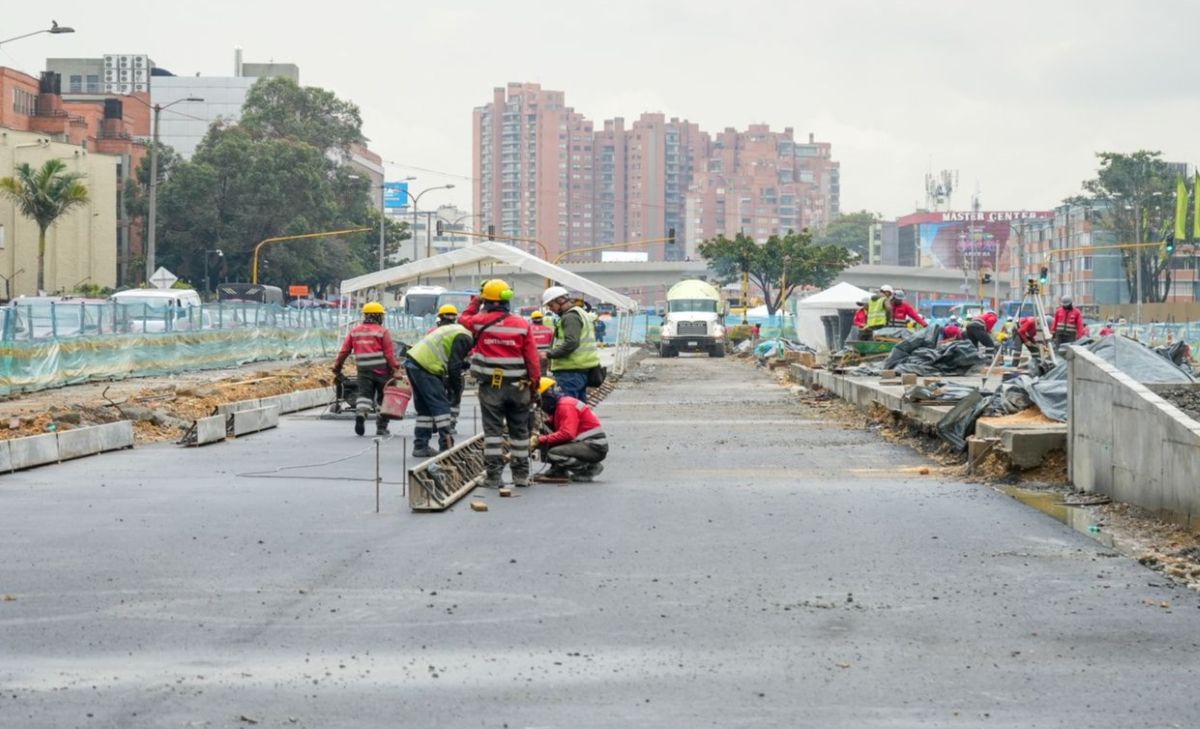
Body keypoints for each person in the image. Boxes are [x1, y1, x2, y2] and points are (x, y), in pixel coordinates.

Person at [460, 279, 541, 488]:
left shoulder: (478, 321)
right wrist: (535, 387)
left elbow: (463, 317)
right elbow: (533, 360)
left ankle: (494, 477)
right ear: (507, 301)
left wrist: (476, 300)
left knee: (493, 433)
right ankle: (521, 475)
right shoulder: (523, 325)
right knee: (520, 432)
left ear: (486, 300)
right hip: (519, 387)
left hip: (491, 388)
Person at [404, 321, 474, 457]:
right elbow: (454, 367)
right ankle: (446, 443)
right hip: (426, 366)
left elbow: (451, 357)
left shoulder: (457, 329)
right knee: (440, 405)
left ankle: (420, 445)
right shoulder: (465, 337)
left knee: (425, 409)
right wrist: (456, 390)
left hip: (413, 362)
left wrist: (462, 364)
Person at [332, 302, 401, 436]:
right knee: (383, 398)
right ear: (378, 316)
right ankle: (381, 427)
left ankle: (361, 414)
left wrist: (337, 366)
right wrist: (396, 369)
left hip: (363, 370)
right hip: (382, 370)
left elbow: (344, 351)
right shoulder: (382, 332)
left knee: (364, 395)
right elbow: (389, 354)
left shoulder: (355, 331)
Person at [531, 377, 608, 483]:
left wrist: (539, 440)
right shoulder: (559, 407)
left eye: (539, 402)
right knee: (546, 429)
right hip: (587, 444)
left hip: (594, 446)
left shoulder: (565, 405)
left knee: (554, 453)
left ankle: (587, 468)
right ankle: (558, 469)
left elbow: (567, 434)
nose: (540, 406)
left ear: (546, 397)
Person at [542, 285, 600, 402]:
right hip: (580, 369)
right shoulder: (580, 312)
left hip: (570, 371)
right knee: (578, 407)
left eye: (551, 305)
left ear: (560, 300)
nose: (550, 309)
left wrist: (548, 354)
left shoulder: (570, 317)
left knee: (568, 408)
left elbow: (571, 343)